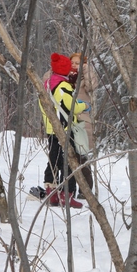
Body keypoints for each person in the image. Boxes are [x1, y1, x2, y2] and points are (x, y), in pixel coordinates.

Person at [39, 53, 90, 209]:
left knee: (54, 160)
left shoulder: (48, 83)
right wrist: (84, 106)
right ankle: (67, 194)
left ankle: (52, 192)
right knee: (70, 161)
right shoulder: (62, 86)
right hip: (65, 129)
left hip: (52, 127)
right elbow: (71, 106)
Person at [69, 53, 98, 198]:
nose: (74, 65)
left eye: (77, 63)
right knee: (68, 156)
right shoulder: (66, 77)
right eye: (72, 62)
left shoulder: (84, 78)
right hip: (68, 120)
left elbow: (92, 86)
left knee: (82, 157)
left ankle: (85, 190)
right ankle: (69, 189)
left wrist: (86, 70)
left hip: (82, 121)